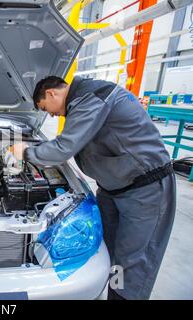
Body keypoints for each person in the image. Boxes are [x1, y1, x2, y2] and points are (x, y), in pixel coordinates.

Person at [11, 76, 176, 300]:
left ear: (51, 93)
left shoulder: (92, 98)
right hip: (112, 188)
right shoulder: (81, 103)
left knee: (132, 262)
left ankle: (121, 297)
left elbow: (63, 149)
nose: (50, 115)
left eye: (45, 109)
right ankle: (110, 291)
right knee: (106, 251)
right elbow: (70, 142)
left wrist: (26, 152)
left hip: (144, 190)